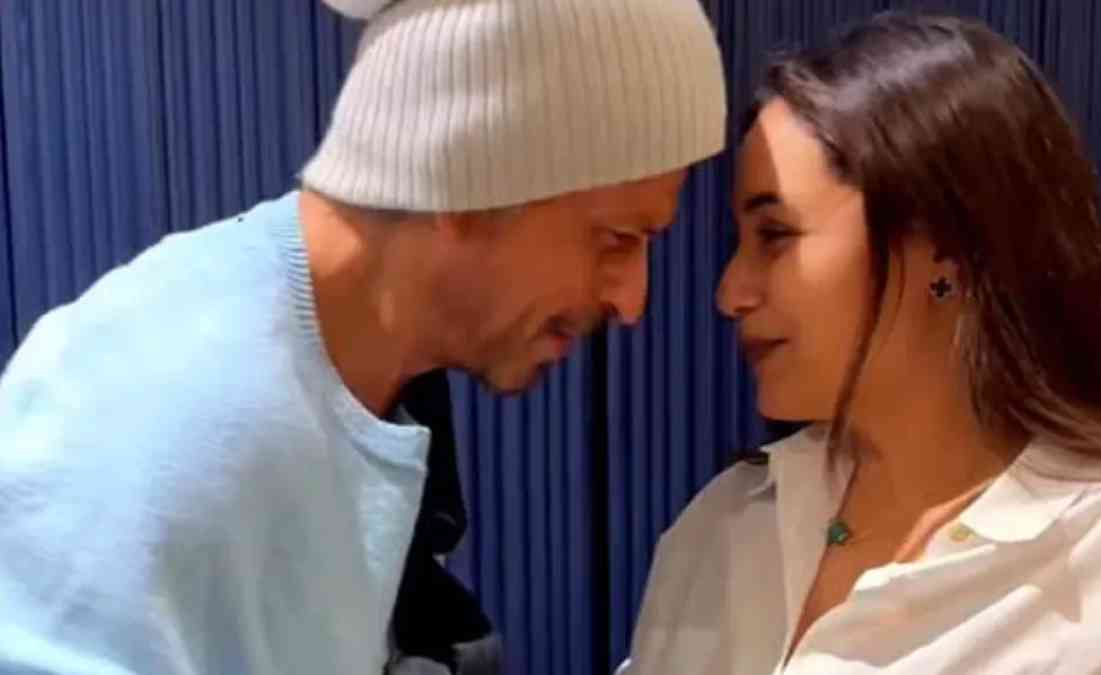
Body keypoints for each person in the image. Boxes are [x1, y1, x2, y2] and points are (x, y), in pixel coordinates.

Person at [0, 0, 727, 672]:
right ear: (468, 177)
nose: (632, 301)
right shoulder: (149, 417)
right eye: (616, 238)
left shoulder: (372, 377)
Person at [619, 11, 1101, 675]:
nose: (730, 292)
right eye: (739, 243)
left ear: (944, 250)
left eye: (775, 235)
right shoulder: (724, 524)